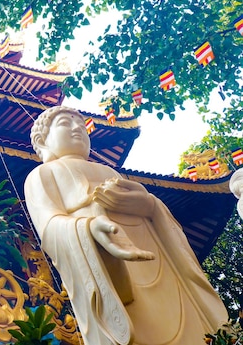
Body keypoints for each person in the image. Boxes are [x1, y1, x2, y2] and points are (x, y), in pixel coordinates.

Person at [24, 106, 228, 345]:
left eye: (80, 124)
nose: (77, 128)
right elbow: (49, 228)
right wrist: (89, 229)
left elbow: (152, 210)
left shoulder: (110, 171)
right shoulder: (42, 174)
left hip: (156, 261)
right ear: (42, 140)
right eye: (65, 124)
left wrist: (149, 205)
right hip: (109, 268)